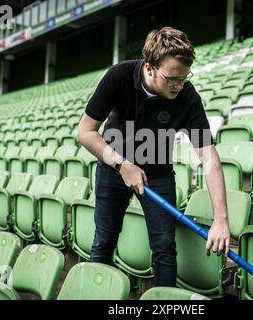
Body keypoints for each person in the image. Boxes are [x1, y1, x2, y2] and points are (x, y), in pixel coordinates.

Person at [77, 26, 230, 287]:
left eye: (184, 77)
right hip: (113, 169)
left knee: (164, 248)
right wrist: (123, 165)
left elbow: (209, 158)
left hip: (158, 175)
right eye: (172, 78)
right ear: (149, 68)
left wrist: (221, 219)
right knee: (103, 242)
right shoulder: (119, 76)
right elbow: (85, 132)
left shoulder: (187, 96)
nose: (179, 85)